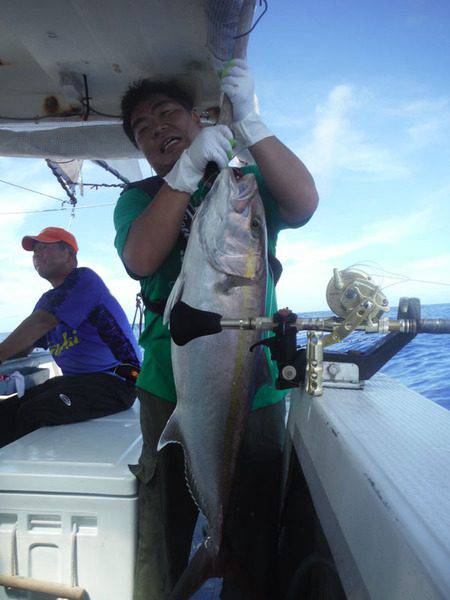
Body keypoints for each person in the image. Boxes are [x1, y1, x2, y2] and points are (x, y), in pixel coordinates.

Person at [114, 59, 319, 599]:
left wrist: (252, 123)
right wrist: (182, 177)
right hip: (167, 383)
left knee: (251, 525)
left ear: (197, 119)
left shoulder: (242, 183)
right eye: (143, 129)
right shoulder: (138, 200)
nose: (158, 129)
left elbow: (302, 203)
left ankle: (230, 563)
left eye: (167, 114)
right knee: (164, 527)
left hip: (255, 385)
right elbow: (139, 259)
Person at [0, 226, 141, 448]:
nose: (37, 254)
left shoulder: (84, 280)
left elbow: (41, 323)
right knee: (7, 409)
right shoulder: (47, 302)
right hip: (77, 382)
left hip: (118, 382)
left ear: (69, 254)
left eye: (44, 247)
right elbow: (25, 346)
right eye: (35, 251)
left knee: (33, 411)